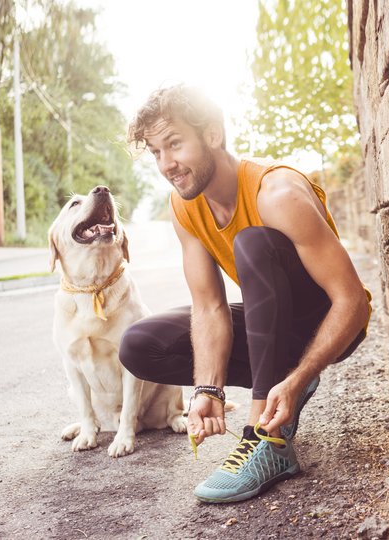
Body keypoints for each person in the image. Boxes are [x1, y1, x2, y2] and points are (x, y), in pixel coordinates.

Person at [119, 84, 372, 503]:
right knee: (140, 345)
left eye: (175, 144)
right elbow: (209, 306)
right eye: (156, 152)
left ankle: (265, 439)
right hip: (270, 322)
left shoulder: (277, 193)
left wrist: (300, 376)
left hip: (326, 322)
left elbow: (353, 303)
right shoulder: (185, 207)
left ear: (212, 134)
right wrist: (208, 390)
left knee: (252, 243)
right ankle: (276, 386)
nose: (167, 164)